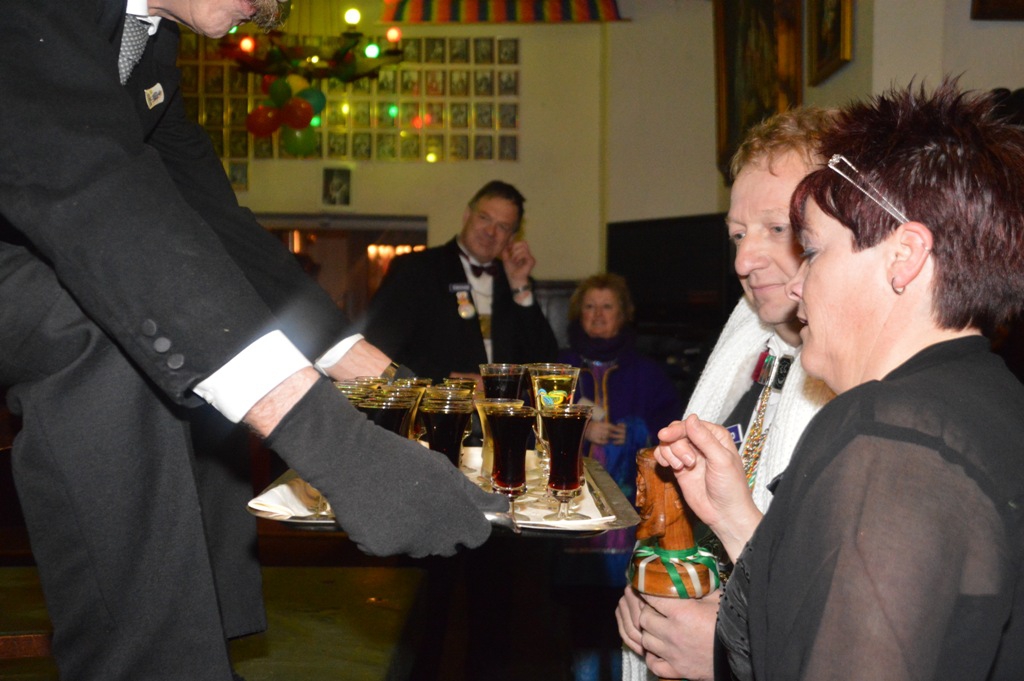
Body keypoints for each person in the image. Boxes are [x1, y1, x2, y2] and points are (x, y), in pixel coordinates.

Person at [0, 1, 506, 680]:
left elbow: (217, 223)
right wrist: (342, 449)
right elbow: (88, 185)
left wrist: (391, 383)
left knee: (200, 363)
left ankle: (207, 648)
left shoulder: (150, 46)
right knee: (118, 326)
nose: (273, 7)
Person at [656, 80, 1024, 680]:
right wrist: (732, 514)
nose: (797, 283)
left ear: (904, 255)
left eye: (814, 250)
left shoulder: (888, 435)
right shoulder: (992, 394)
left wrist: (720, 656)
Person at [617, 107, 836, 681]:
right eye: (737, 235)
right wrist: (647, 594)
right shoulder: (751, 349)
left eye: (776, 228)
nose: (743, 260)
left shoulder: (867, 395)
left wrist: (731, 653)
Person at [552, 272, 681, 681]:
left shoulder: (647, 373)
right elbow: (535, 424)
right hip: (570, 515)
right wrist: (581, 429)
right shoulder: (559, 369)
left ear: (623, 314)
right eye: (590, 306)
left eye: (607, 306)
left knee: (630, 617)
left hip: (632, 520)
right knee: (581, 620)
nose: (598, 314)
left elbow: (673, 430)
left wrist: (637, 433)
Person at [360, 180, 560, 385]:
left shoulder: (514, 282)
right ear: (467, 215)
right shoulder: (416, 269)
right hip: (435, 403)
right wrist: (445, 379)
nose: (490, 231)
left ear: (512, 237)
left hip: (501, 404)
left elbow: (546, 364)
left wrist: (520, 286)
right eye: (484, 218)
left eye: (503, 226)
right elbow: (379, 348)